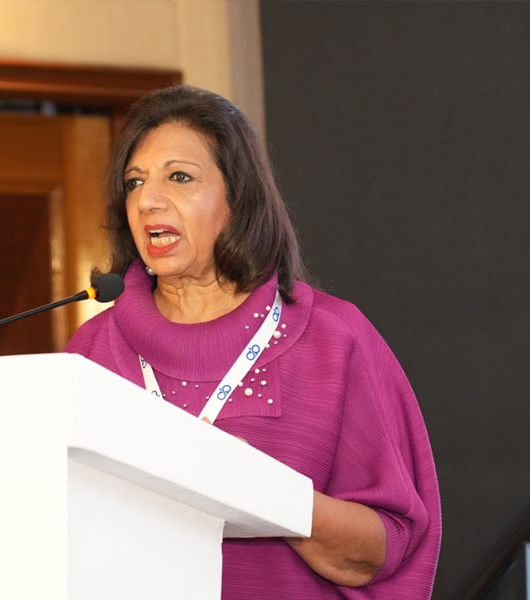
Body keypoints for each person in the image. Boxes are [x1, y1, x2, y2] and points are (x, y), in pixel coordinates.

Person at [65, 85, 441, 599]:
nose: (148, 200)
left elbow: (380, 550)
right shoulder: (88, 354)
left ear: (238, 198)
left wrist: (264, 489)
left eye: (179, 177)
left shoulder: (332, 338)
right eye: (135, 182)